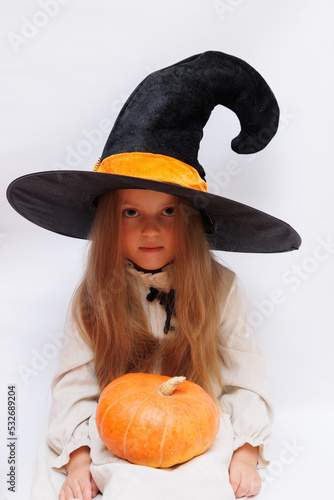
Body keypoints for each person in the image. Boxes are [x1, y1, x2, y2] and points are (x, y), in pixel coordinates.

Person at [7, 51, 301, 500]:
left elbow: (246, 375)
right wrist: (78, 461)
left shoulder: (221, 289)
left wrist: (244, 450)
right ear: (109, 223)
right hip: (116, 428)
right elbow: (76, 384)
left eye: (167, 211)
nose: (149, 228)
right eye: (130, 212)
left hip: (199, 423)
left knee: (200, 482)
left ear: (190, 221)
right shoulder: (93, 296)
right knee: (119, 482)